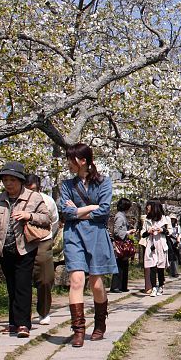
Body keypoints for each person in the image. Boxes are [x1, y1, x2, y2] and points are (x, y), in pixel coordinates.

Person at [0, 161, 51, 338]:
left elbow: (46, 218)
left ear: (20, 180)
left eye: (12, 179)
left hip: (25, 248)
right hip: (4, 249)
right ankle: (13, 322)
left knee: (23, 285)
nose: (8, 183)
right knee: (12, 286)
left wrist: (29, 215)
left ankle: (23, 325)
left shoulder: (33, 198)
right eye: (5, 179)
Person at [58, 143, 118, 348]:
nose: (68, 163)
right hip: (73, 235)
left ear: (82, 161)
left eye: (70, 159)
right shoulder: (66, 185)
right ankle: (78, 329)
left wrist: (81, 210)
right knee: (76, 280)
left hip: (96, 236)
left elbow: (104, 211)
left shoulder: (104, 182)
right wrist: (91, 207)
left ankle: (100, 322)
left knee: (96, 284)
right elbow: (65, 212)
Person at [24, 174, 60, 325]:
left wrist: (47, 237)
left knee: (45, 279)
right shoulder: (18, 200)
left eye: (33, 189)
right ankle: (23, 314)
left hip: (43, 241)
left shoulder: (48, 201)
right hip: (23, 242)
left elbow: (55, 222)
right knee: (22, 279)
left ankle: (43, 311)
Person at [142, 201, 171, 296]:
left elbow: (170, 232)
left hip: (161, 244)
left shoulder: (165, 219)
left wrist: (162, 230)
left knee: (160, 267)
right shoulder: (147, 219)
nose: (148, 209)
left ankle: (161, 286)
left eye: (149, 207)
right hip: (151, 244)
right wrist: (148, 231)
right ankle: (154, 287)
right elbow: (142, 234)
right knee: (152, 266)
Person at [109, 198, 134, 293]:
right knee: (119, 264)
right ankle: (115, 286)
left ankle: (123, 286)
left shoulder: (122, 216)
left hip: (123, 242)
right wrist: (128, 232)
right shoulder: (120, 217)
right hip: (120, 243)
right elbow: (117, 232)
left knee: (124, 264)